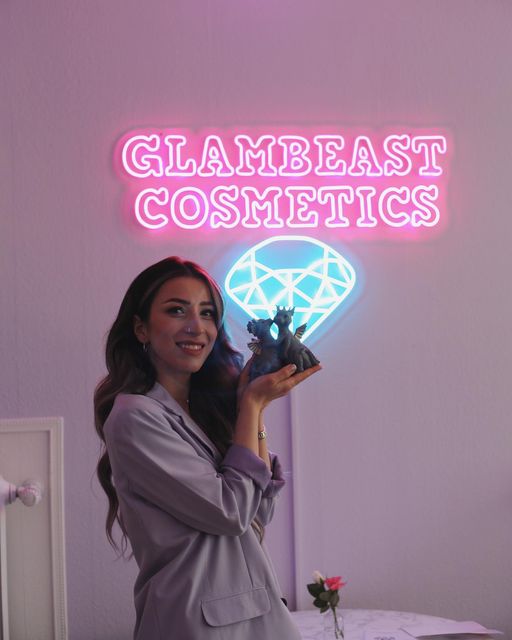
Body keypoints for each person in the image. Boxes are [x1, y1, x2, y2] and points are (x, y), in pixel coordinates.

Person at [94, 256, 321, 640]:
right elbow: (230, 512)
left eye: (207, 313)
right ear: (141, 328)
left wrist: (252, 409)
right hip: (196, 624)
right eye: (176, 310)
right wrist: (251, 405)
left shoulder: (204, 409)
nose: (196, 326)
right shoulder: (135, 417)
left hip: (256, 616)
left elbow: (258, 511)